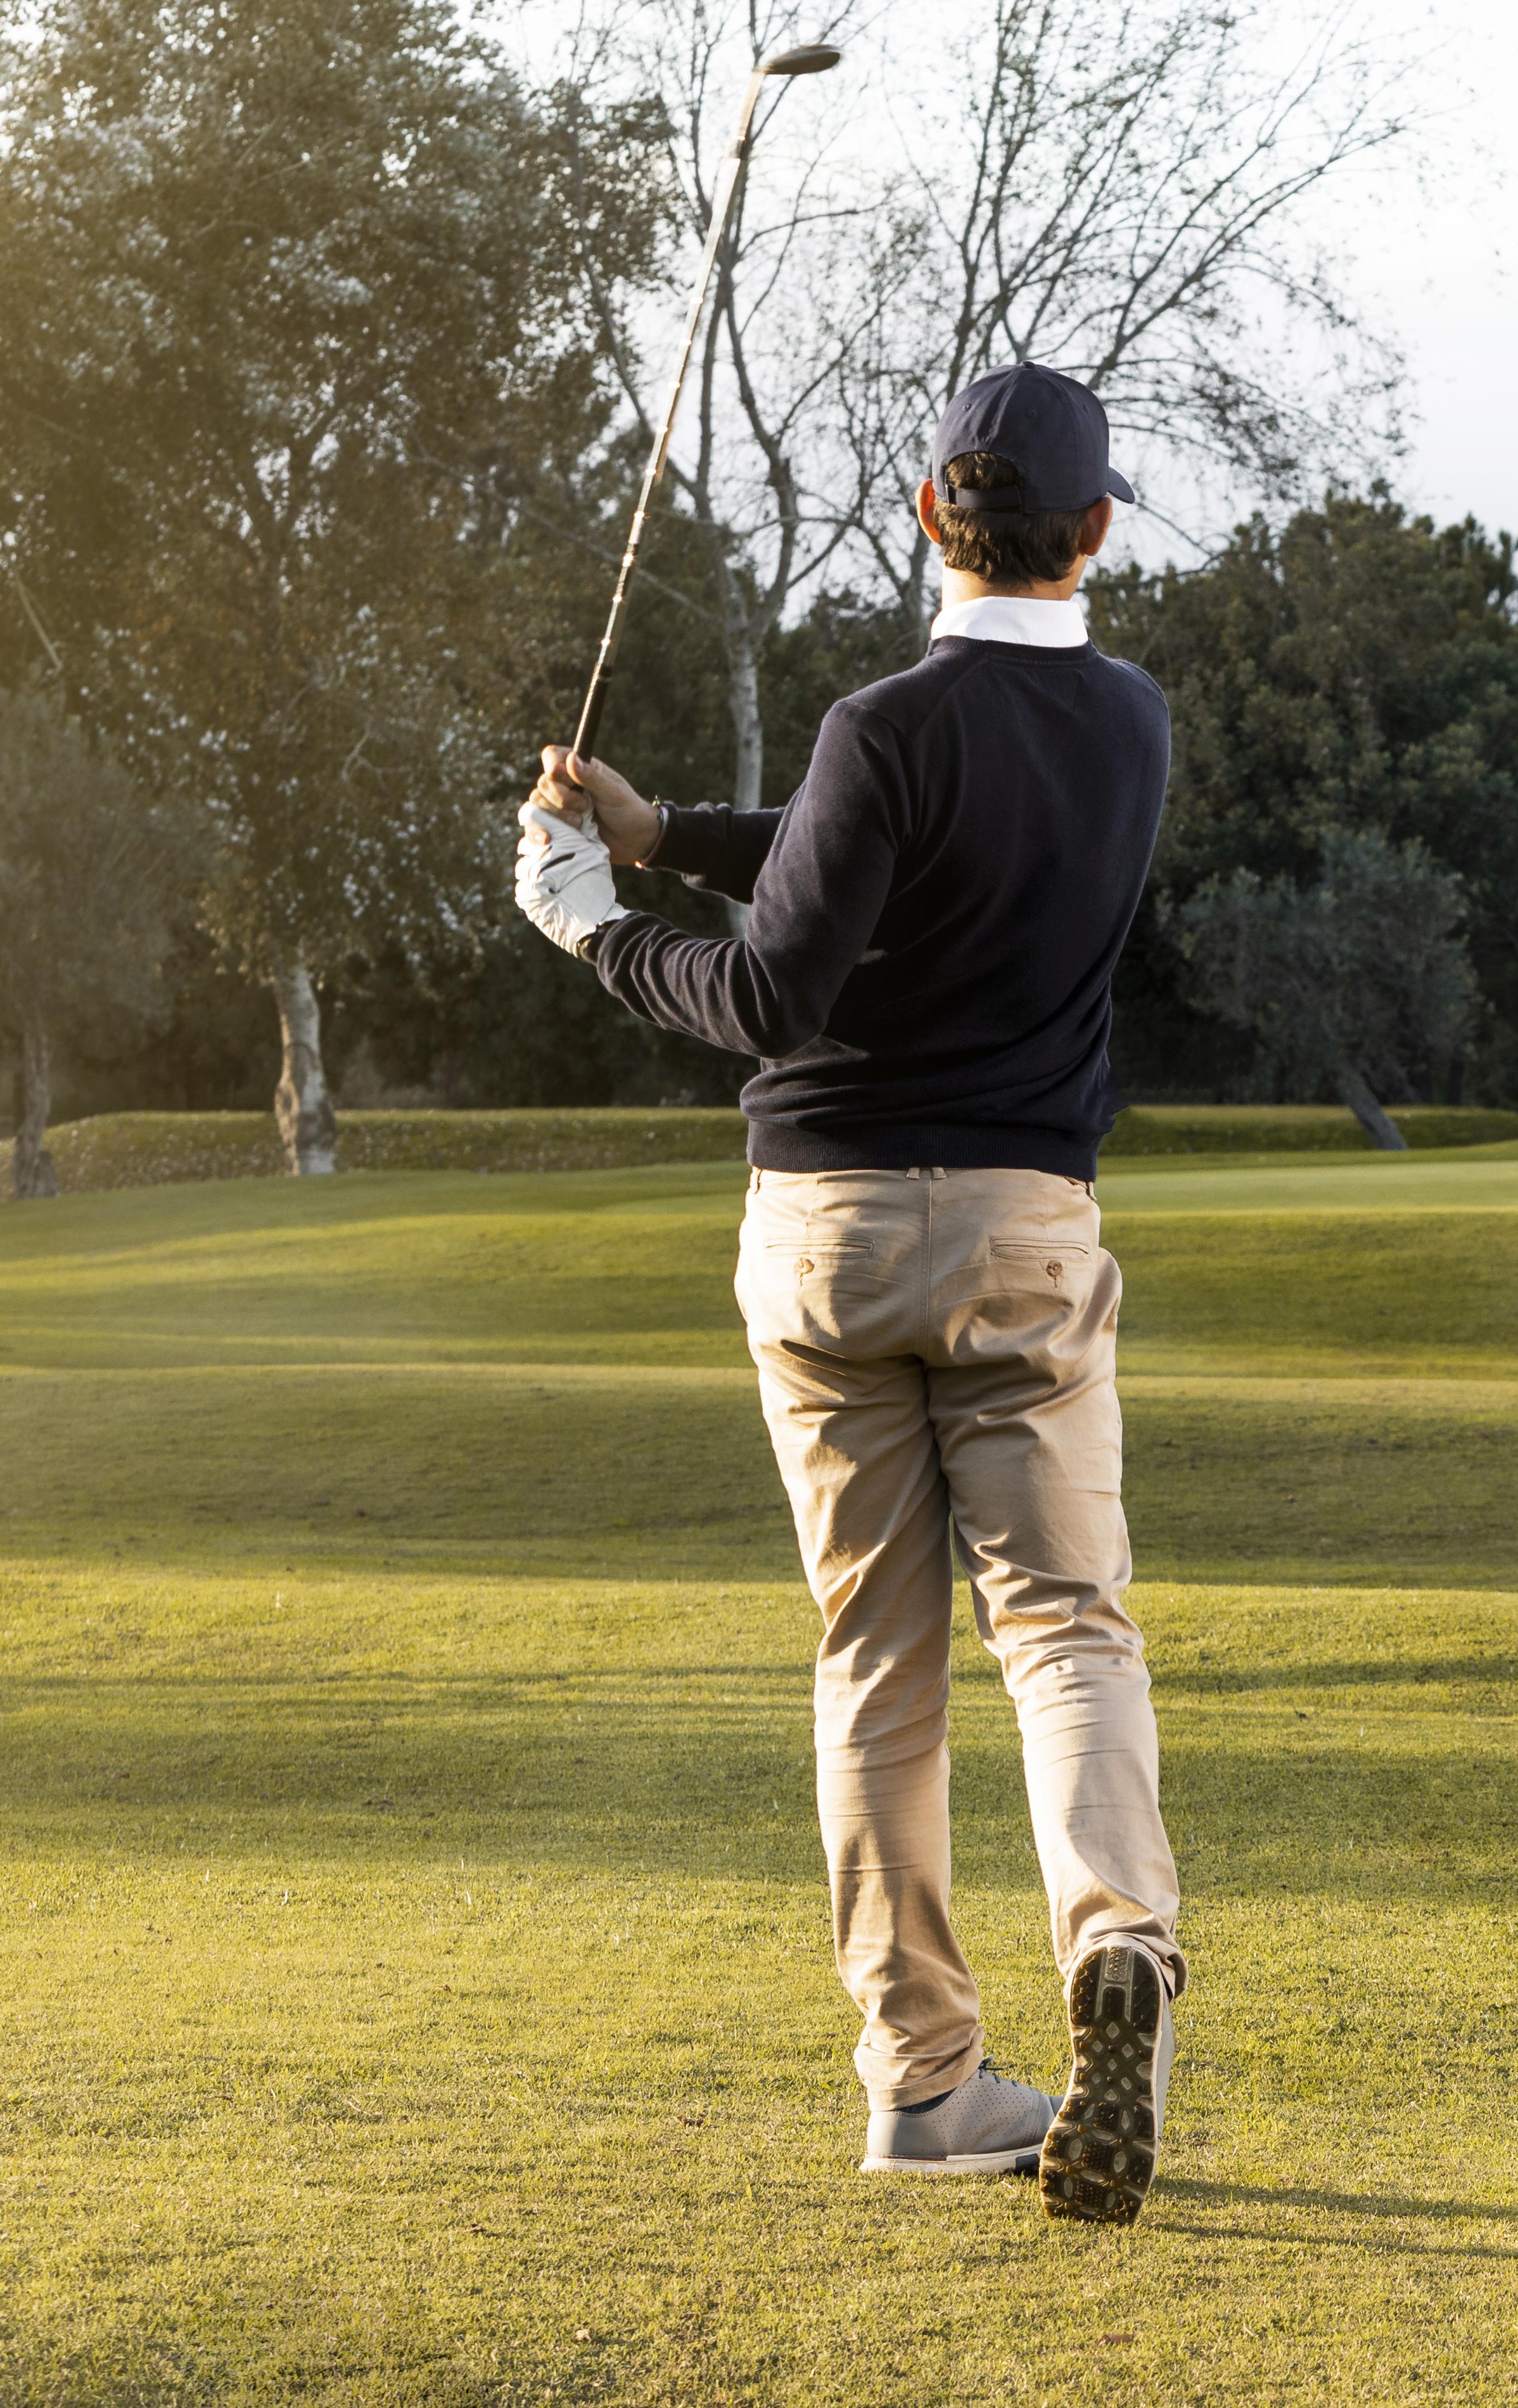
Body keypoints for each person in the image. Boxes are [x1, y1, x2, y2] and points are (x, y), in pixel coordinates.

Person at [513, 361, 1184, 2225]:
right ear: (1095, 530)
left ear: (923, 512)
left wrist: (596, 921)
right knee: (1067, 1631)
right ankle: (1118, 1943)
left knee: (881, 1660)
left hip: (824, 1233)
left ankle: (925, 2085)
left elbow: (772, 990)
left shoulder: (877, 729)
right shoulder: (1130, 725)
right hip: (1023, 1230)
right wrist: (666, 832)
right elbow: (858, 851)